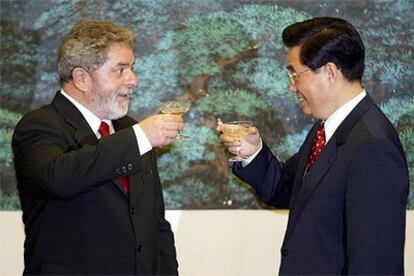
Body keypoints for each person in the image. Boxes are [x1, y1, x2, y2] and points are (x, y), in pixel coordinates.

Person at [218, 17, 409, 275]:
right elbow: (287, 188)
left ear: (329, 72)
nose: (291, 86)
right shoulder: (327, 129)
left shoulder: (373, 147)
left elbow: (375, 263)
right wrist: (253, 153)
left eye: (295, 74)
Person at [12, 19, 181, 275]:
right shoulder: (38, 126)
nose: (133, 80)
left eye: (132, 68)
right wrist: (140, 137)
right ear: (81, 78)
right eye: (120, 69)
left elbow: (155, 225)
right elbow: (59, 177)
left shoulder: (130, 130)